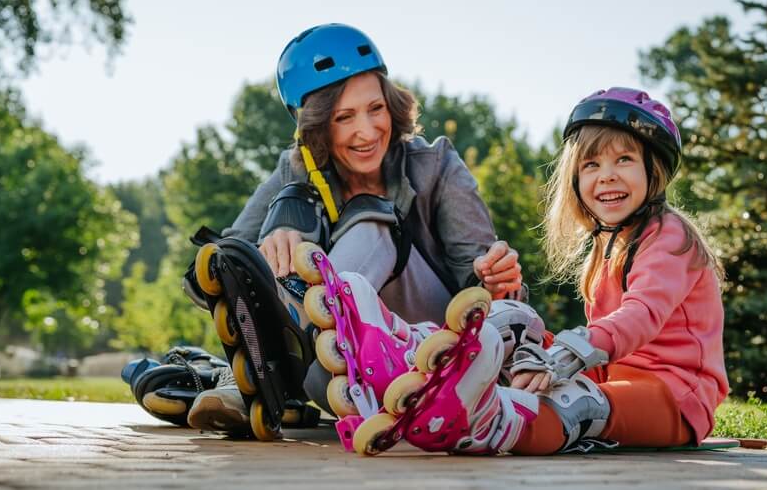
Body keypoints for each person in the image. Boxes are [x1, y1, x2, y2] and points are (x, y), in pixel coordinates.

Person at [184, 23, 524, 433]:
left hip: (432, 352)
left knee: (372, 219)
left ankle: (261, 381)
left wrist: (495, 278)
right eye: (344, 117)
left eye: (376, 108)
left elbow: (487, 294)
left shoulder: (436, 166)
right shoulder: (296, 167)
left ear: (391, 103)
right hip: (336, 368)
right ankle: (262, 378)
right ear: (316, 125)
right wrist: (274, 238)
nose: (367, 131)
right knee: (287, 216)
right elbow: (217, 271)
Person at [351, 86, 728, 455]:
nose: (607, 175)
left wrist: (564, 356)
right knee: (516, 319)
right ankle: (416, 356)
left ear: (654, 168)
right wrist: (535, 351)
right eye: (591, 164)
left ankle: (481, 420)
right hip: (612, 376)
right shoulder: (608, 243)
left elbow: (641, 316)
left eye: (624, 160)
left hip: (676, 396)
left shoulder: (669, 236)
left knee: (577, 403)